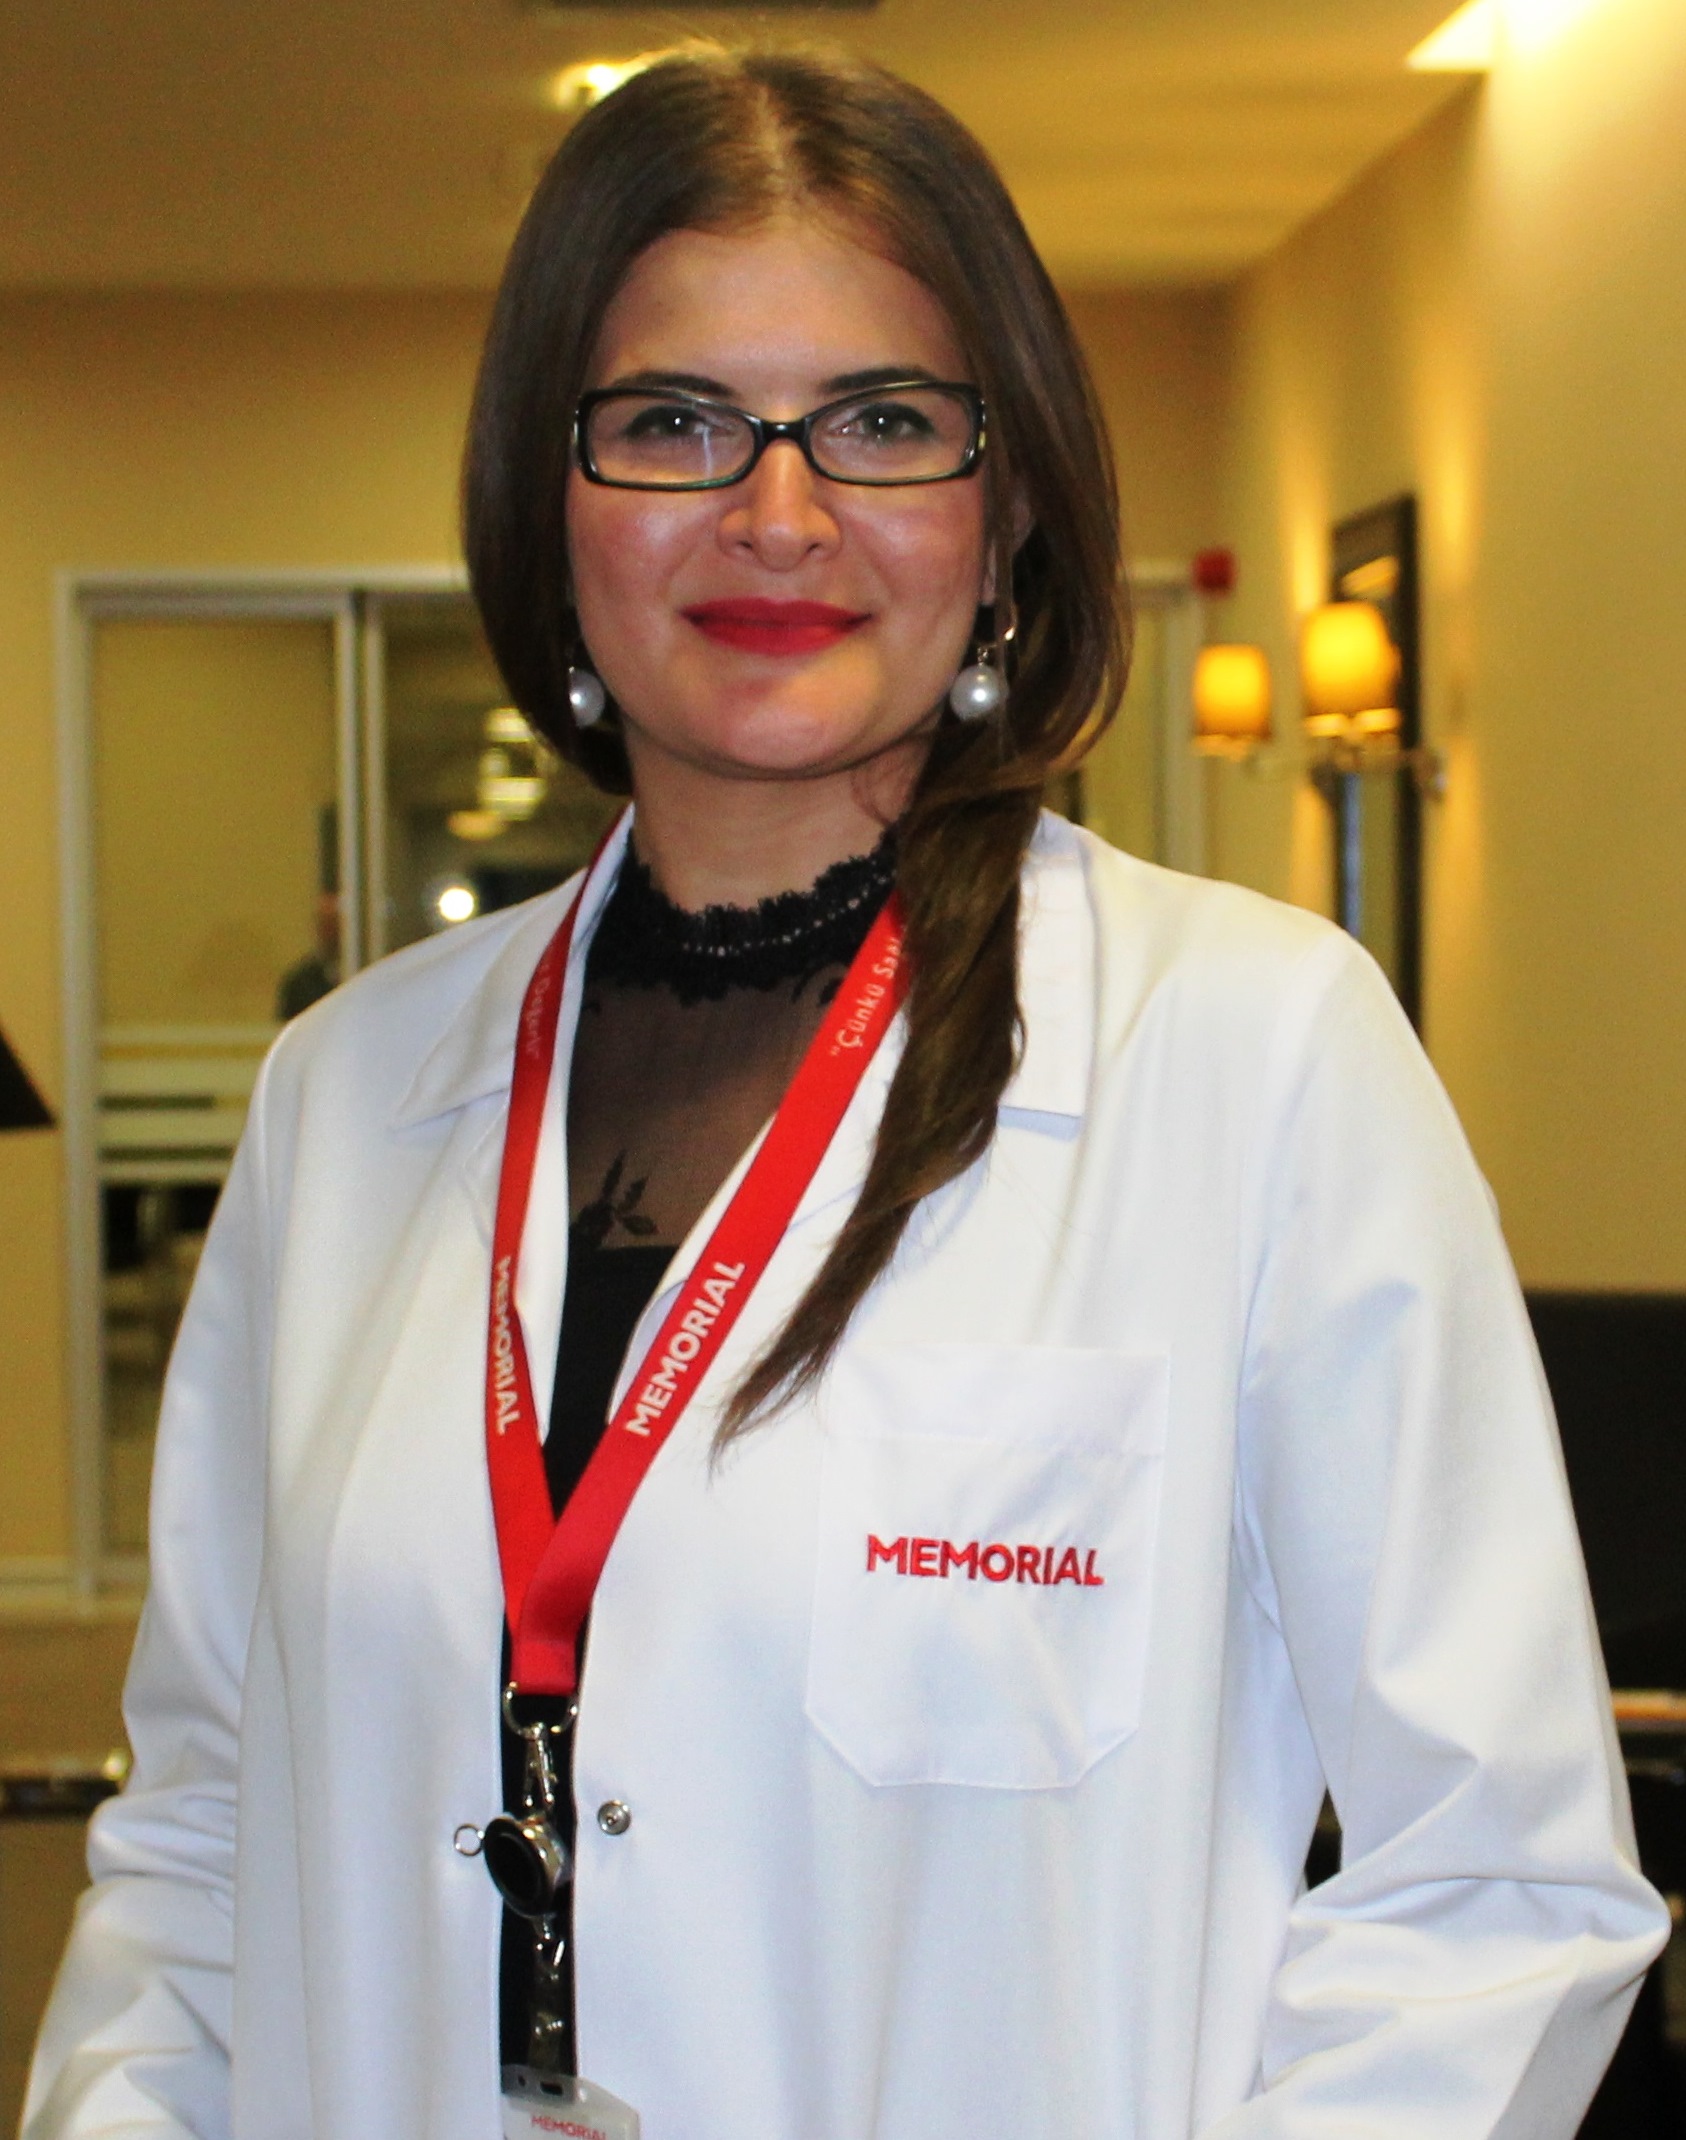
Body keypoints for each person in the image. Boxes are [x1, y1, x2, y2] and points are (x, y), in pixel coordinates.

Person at [25, 44, 1666, 2140]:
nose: (776, 512)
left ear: (1007, 514)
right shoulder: (344, 1095)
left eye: (883, 422)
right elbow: (198, 1843)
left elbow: (1494, 1883)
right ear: (551, 503)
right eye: (673, 422)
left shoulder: (1254, 1057)